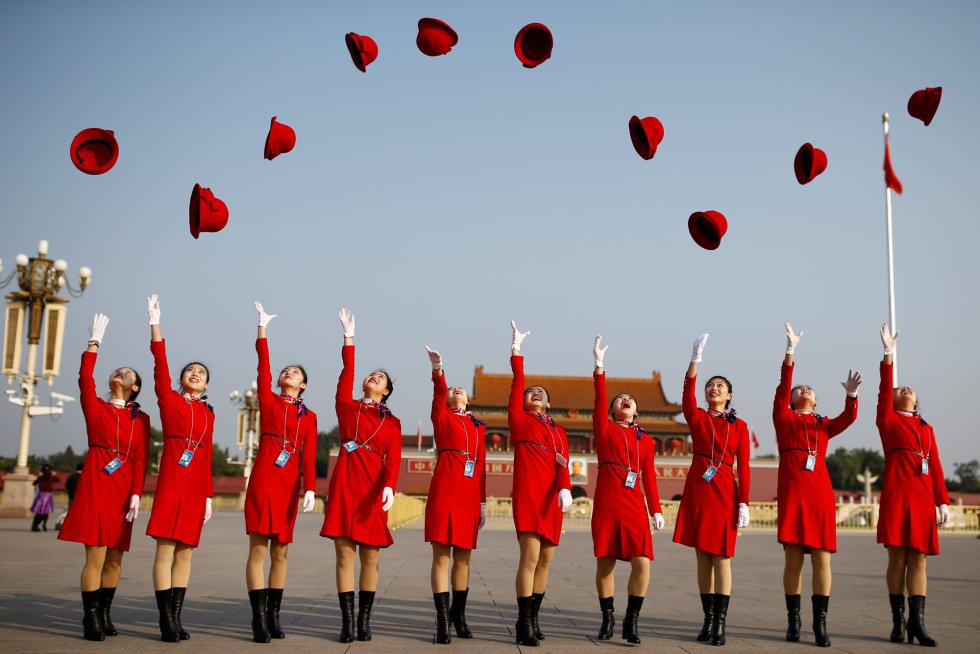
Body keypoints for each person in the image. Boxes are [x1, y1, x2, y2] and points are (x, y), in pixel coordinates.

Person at [58, 313, 151, 641]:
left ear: (134, 387)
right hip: (97, 484)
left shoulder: (142, 419)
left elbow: (141, 458)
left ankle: (106, 613)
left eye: (127, 374)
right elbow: (84, 379)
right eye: (118, 370)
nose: (120, 373)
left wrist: (138, 492)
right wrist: (93, 344)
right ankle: (90, 617)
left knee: (115, 556)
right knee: (95, 553)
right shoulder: (96, 407)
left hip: (124, 491)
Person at [773, 323, 860, 647]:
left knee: (822, 558)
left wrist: (851, 395)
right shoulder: (783, 417)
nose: (804, 390)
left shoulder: (823, 425)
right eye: (800, 389)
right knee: (793, 559)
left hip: (820, 492)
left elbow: (848, 418)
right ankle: (793, 622)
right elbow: (783, 389)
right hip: (794, 490)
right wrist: (790, 353)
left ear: (816, 399)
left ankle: (820, 624)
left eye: (809, 388)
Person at [320, 308, 402, 643]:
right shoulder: (347, 407)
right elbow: (346, 373)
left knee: (370, 556)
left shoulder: (392, 423)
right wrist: (349, 338)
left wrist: (390, 488)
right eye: (371, 375)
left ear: (385, 392)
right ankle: (347, 622)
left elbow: (393, 459)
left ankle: (365, 619)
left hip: (372, 488)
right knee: (344, 554)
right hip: (345, 482)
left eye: (380, 378)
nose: (373, 378)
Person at [244, 302, 318, 642]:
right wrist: (263, 329)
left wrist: (311, 489)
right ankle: (258, 618)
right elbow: (262, 366)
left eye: (296, 373)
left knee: (281, 551)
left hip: (290, 483)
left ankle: (274, 615)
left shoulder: (310, 417)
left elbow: (311, 454)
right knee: (259, 548)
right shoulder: (269, 401)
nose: (289, 373)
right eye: (286, 371)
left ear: (303, 385)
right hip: (264, 476)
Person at [672, 333, 751, 646]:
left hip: (724, 490)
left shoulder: (740, 426)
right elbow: (687, 395)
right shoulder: (698, 417)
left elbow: (743, 467)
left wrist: (744, 502)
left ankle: (720, 623)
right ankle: (707, 620)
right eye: (710, 385)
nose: (713, 388)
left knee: (722, 556)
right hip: (699, 487)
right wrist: (695, 361)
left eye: (720, 386)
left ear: (729, 395)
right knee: (703, 557)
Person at [144, 294, 215, 642]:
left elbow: (207, 457)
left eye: (201, 373)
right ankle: (164, 620)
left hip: (195, 487)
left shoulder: (209, 413)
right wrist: (156, 325)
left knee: (185, 552)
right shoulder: (169, 400)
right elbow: (160, 364)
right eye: (190, 371)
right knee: (166, 548)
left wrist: (208, 496)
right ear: (181, 379)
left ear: (206, 384)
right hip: (172, 480)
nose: (196, 374)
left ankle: (176, 617)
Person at [876, 324, 950, 646]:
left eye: (909, 388)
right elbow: (884, 390)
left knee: (918, 558)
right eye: (899, 389)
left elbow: (934, 465)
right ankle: (898, 621)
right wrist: (888, 355)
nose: (905, 389)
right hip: (897, 493)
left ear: (917, 400)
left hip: (921, 497)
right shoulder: (888, 420)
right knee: (898, 559)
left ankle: (917, 624)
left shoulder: (927, 429)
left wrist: (942, 501)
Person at [590, 336, 665, 645]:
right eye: (619, 399)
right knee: (605, 562)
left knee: (641, 561)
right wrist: (599, 367)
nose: (625, 401)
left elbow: (649, 477)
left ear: (635, 411)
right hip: (608, 501)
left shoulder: (646, 441)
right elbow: (598, 400)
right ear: (612, 409)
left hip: (635, 504)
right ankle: (607, 618)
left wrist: (656, 510)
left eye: (630, 400)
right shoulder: (605, 429)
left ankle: (631, 620)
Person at [508, 320, 573, 647]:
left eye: (541, 394)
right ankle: (523, 621)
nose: (535, 393)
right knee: (530, 557)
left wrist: (566, 487)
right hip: (529, 495)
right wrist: (517, 350)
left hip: (552, 498)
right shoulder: (519, 420)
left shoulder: (559, 432)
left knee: (546, 560)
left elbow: (563, 463)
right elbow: (518, 383)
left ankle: (534, 617)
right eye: (532, 392)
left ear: (548, 405)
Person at [423, 345, 487, 644]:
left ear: (469, 399)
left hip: (470, 494)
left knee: (463, 559)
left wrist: (483, 502)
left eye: (461, 389)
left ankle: (459, 616)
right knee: (442, 557)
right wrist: (438, 370)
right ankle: (442, 620)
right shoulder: (442, 417)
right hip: (446, 487)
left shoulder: (478, 427)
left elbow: (483, 466)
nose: (457, 390)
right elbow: (438, 393)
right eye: (453, 389)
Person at [30, 463, 60, 532]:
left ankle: (35, 525)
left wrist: (39, 476)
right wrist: (54, 474)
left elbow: (34, 483)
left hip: (41, 495)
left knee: (38, 512)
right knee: (46, 512)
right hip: (48, 495)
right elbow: (58, 480)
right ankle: (44, 524)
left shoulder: (40, 478)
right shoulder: (51, 478)